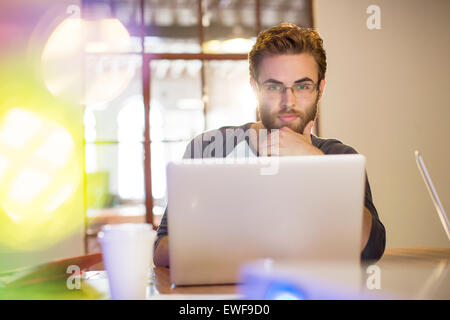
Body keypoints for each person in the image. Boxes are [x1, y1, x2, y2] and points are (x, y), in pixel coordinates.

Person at [153, 23, 386, 267]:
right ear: (255, 88)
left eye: (303, 86)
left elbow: (370, 249)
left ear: (320, 90)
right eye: (274, 86)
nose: (289, 101)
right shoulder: (209, 149)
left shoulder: (339, 158)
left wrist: (316, 164)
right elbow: (162, 249)